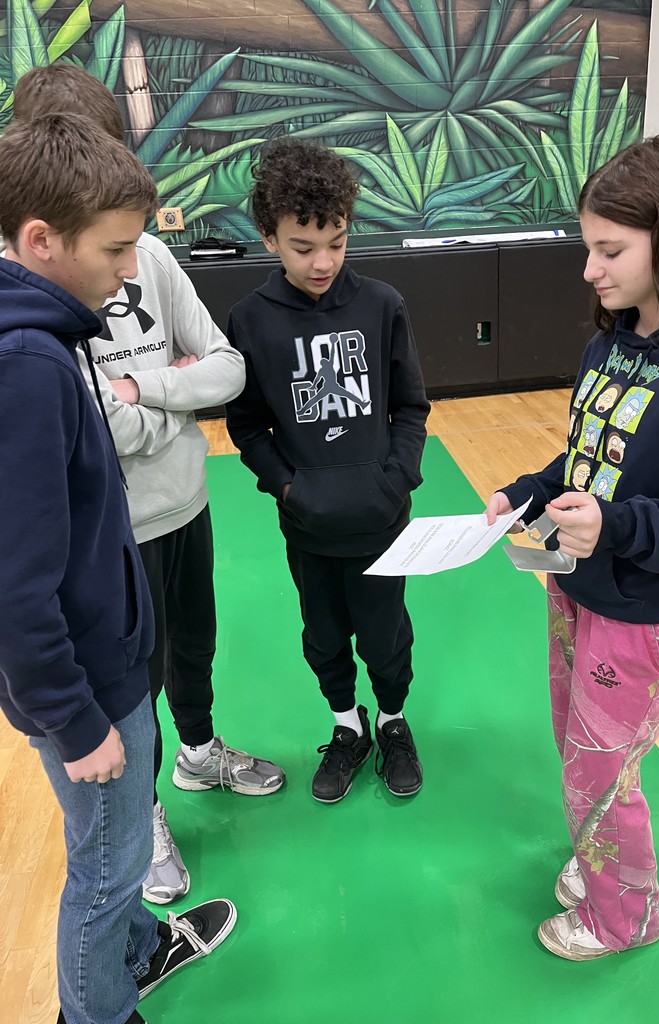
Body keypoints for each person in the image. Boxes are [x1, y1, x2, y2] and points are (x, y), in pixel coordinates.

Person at [486, 133, 659, 961]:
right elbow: (586, 459)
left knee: (599, 774)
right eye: (588, 248)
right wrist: (527, 494)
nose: (589, 270)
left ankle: (626, 915)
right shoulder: (609, 343)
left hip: (647, 613)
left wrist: (619, 528)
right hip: (577, 584)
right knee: (580, 755)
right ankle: (600, 862)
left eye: (610, 250)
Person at [11, 64, 285, 905]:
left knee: (192, 649)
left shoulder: (151, 256)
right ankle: (148, 805)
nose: (123, 258)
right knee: (133, 682)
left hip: (185, 503)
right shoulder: (36, 290)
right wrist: (165, 403)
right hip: (110, 533)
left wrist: (149, 392)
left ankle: (201, 752)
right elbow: (83, 424)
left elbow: (228, 368)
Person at [0, 112, 236, 1024]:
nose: (131, 270)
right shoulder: (27, 363)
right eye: (116, 250)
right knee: (106, 869)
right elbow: (16, 589)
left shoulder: (42, 340)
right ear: (40, 240)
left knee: (117, 854)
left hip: (99, 668)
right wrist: (76, 718)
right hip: (88, 692)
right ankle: (99, 1012)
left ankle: (142, 949)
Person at [226, 138, 430, 803]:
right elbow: (247, 425)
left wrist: (395, 478)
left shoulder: (382, 304)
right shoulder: (251, 321)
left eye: (337, 243)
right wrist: (288, 485)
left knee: (385, 635)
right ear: (268, 239)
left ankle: (394, 721)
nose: (323, 262)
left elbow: (409, 404)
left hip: (381, 520)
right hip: (308, 525)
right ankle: (348, 728)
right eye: (302, 246)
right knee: (323, 636)